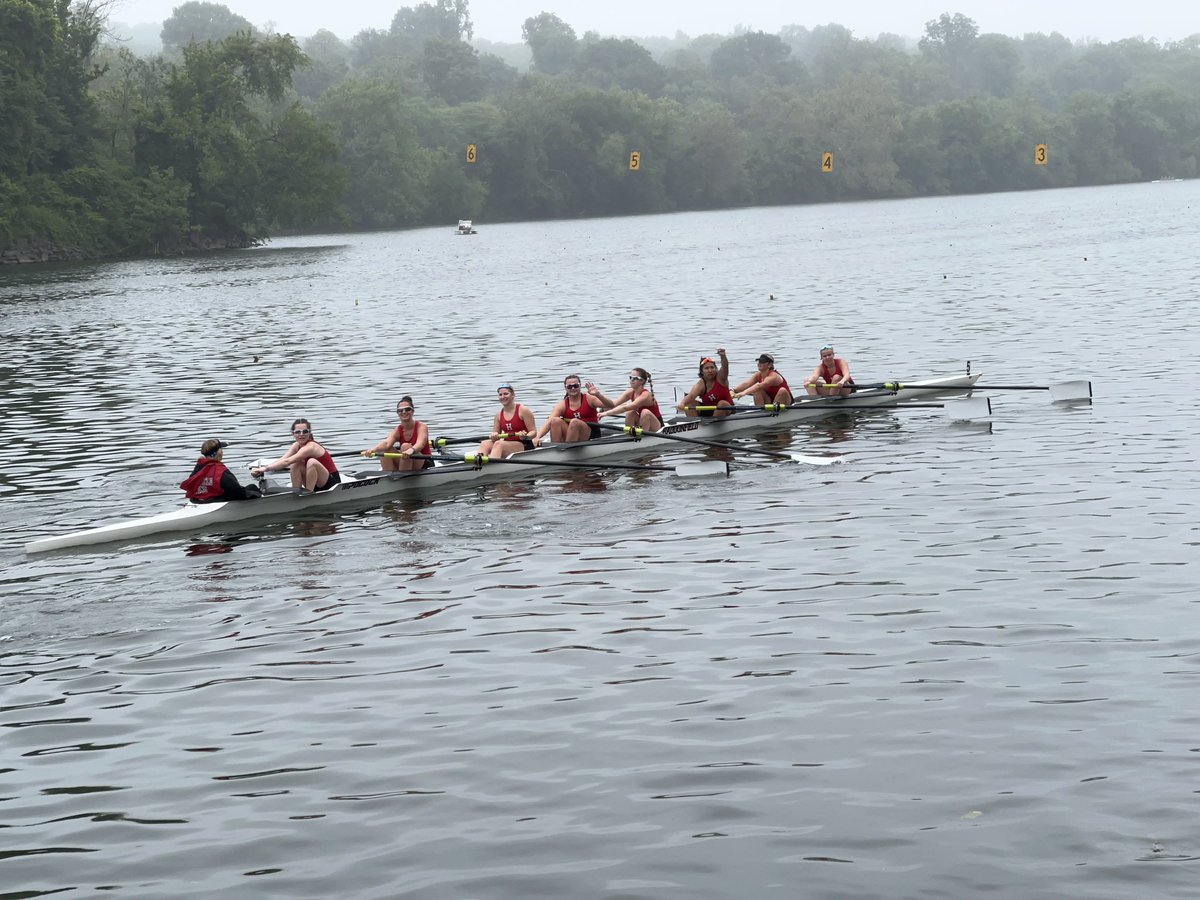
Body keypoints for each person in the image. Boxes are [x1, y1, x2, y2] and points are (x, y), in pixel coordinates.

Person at [250, 418, 341, 492]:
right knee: (295, 463)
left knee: (311, 462)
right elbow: (282, 460)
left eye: (305, 431)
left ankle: (308, 495)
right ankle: (296, 492)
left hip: (331, 482)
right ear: (293, 433)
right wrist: (262, 469)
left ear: (309, 433)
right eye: (298, 432)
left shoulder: (311, 447)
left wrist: (265, 469)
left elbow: (287, 461)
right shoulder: (296, 446)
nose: (301, 435)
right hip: (315, 482)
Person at [362, 396, 433, 471]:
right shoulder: (397, 430)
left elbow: (420, 444)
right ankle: (389, 477)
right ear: (397, 413)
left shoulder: (421, 427)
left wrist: (411, 450)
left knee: (405, 447)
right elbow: (386, 443)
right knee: (384, 449)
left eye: (407, 409)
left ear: (412, 411)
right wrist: (373, 449)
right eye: (400, 410)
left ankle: (403, 477)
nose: (404, 412)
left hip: (425, 462)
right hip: (407, 461)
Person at [535, 374, 605, 444]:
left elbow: (610, 405)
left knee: (575, 422)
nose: (573, 388)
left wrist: (598, 395)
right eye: (570, 386)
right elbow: (549, 421)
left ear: (580, 386)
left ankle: (567, 451)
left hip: (591, 434)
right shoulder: (562, 405)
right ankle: (555, 448)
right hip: (572, 435)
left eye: (575, 386)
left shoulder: (590, 399)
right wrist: (537, 437)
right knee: (555, 420)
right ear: (566, 388)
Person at [181, 439, 258, 503]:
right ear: (218, 452)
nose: (222, 451)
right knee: (252, 487)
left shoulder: (198, 467)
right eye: (221, 449)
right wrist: (255, 494)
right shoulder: (221, 471)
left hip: (197, 501)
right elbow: (237, 492)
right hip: (216, 503)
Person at [592, 367, 664, 432]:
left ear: (642, 381)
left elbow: (625, 407)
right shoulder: (630, 392)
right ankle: (630, 435)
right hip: (643, 423)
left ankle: (642, 437)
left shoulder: (646, 395)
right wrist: (598, 398)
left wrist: (605, 414)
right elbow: (613, 403)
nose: (632, 380)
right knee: (630, 412)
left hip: (657, 426)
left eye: (635, 378)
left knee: (645, 412)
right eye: (631, 377)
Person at [478, 383, 538, 459]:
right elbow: (496, 437)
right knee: (485, 443)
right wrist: (494, 435)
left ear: (513, 395)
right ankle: (478, 462)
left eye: (506, 394)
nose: (503, 397)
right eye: (500, 395)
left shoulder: (523, 410)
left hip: (524, 444)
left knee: (498, 444)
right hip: (507, 445)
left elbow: (533, 432)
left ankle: (490, 467)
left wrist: (525, 436)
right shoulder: (498, 415)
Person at [678, 348, 733, 417]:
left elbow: (725, 367)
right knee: (689, 403)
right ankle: (695, 425)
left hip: (727, 409)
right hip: (708, 410)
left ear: (716, 369)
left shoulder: (721, 378)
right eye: (706, 368)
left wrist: (723, 356)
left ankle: (714, 426)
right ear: (702, 371)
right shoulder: (700, 384)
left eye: (712, 367)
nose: (710, 370)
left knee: (722, 403)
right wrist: (682, 403)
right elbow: (691, 396)